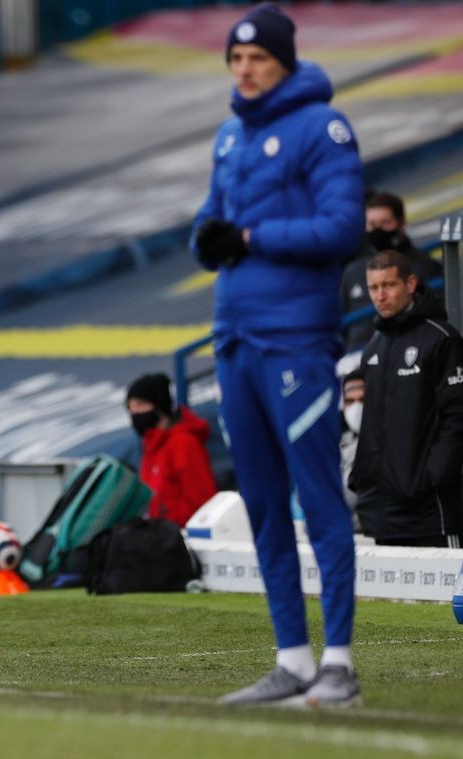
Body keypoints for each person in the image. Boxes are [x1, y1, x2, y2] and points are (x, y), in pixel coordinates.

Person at [191, 3, 364, 707]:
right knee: (262, 502)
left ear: (285, 60)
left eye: (257, 59)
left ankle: (340, 665)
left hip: (294, 337)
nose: (245, 70)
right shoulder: (230, 137)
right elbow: (213, 218)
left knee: (320, 498)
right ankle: (292, 658)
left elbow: (342, 226)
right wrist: (205, 237)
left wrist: (252, 238)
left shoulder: (323, 128)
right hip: (235, 337)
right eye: (236, 60)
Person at [350, 251, 463, 548]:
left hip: (430, 509)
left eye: (389, 285)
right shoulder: (373, 346)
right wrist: (362, 476)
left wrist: (433, 477)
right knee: (392, 595)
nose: (380, 296)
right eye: (373, 288)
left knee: (445, 594)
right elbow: (370, 421)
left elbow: (457, 415)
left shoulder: (441, 339)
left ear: (410, 284)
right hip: (382, 508)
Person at [341, 192, 441, 348]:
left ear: (402, 223)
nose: (378, 230)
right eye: (372, 225)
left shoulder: (426, 267)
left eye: (385, 223)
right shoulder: (352, 271)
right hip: (357, 358)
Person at [124, 373, 217, 529]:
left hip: (182, 539)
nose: (134, 413)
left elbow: (203, 505)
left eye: (140, 405)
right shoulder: (150, 445)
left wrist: (164, 524)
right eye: (130, 407)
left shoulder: (185, 443)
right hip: (162, 538)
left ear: (159, 406)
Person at [339, 369, 364, 513]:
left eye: (362, 400)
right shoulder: (337, 443)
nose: (356, 407)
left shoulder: (389, 446)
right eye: (350, 401)